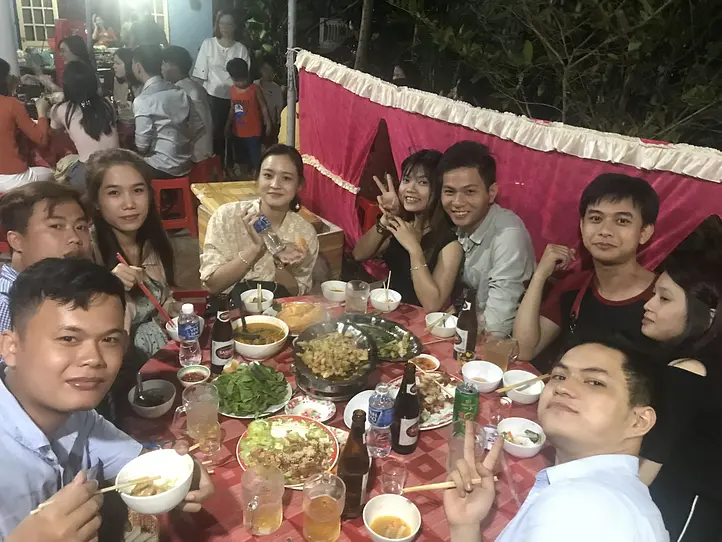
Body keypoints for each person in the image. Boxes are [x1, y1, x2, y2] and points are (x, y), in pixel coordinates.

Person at [0, 258, 214, 540]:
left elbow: (138, 464)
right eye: (68, 339)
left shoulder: (78, 415)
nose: (94, 359)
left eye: (109, 340)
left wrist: (182, 471)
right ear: (11, 347)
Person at [444, 340, 668, 541]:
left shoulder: (582, 508)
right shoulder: (619, 498)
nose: (563, 388)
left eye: (594, 382)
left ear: (639, 421)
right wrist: (466, 527)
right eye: (559, 376)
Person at [513, 173, 660, 365]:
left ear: (644, 232)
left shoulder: (663, 297)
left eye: (622, 221)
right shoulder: (573, 287)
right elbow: (524, 350)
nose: (605, 231)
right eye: (596, 218)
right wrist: (540, 275)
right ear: (582, 226)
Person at [636, 257, 722, 541]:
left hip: (684, 509)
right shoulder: (699, 362)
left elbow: (650, 461)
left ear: (708, 316)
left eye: (664, 298)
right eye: (653, 294)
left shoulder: (690, 370)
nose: (648, 305)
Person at [85, 149, 179, 368]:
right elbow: (85, 327)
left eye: (138, 190)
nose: (129, 204)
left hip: (161, 351)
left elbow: (163, 297)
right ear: (96, 202)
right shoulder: (86, 249)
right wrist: (108, 287)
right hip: (118, 365)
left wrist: (172, 308)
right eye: (114, 193)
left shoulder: (153, 240)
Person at [439, 140, 535, 333]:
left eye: (469, 192)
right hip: (461, 329)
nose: (457, 202)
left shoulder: (508, 236)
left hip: (495, 343)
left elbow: (498, 327)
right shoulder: (452, 222)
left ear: (491, 193)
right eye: (449, 192)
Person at [200, 144, 319, 299]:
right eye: (268, 175)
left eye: (286, 178)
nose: (275, 185)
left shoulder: (304, 233)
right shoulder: (227, 216)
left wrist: (279, 262)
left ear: (299, 185)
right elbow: (213, 286)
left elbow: (295, 293)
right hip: (230, 309)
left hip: (279, 311)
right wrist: (255, 249)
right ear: (257, 178)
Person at [353, 150, 462, 311]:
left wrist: (414, 249)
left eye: (423, 182)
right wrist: (386, 218)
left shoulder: (450, 244)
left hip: (418, 320)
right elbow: (359, 254)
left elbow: (433, 304)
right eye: (406, 180)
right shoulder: (403, 223)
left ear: (440, 190)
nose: (410, 188)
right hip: (387, 308)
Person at [0, 182, 91, 332]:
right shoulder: (5, 305)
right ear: (16, 241)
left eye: (81, 227)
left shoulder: (81, 294)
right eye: (56, 226)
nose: (75, 238)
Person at [132, 45, 204, 179]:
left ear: (138, 67)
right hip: (185, 164)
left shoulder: (143, 100)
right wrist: (181, 143)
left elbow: (142, 146)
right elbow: (198, 126)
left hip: (160, 167)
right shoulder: (179, 91)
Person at [193, 10, 251, 165]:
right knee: (215, 132)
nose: (225, 27)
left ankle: (234, 164)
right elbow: (199, 75)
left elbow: (245, 77)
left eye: (229, 24)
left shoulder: (241, 49)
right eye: (222, 23)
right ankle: (217, 166)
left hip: (236, 97)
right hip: (212, 96)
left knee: (236, 132)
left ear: (235, 26)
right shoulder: (208, 44)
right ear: (217, 25)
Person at [50, 61, 119, 191]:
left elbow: (54, 134)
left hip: (88, 170)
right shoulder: (106, 104)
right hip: (117, 166)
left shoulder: (61, 109)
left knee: (61, 174)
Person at [0, 58, 54, 189]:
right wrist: (42, 111)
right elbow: (41, 139)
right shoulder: (11, 104)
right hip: (12, 176)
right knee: (53, 174)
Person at [161, 46, 214, 164]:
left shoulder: (181, 90)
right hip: (205, 150)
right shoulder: (196, 86)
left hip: (195, 154)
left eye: (163, 64)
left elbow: (190, 128)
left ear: (173, 66)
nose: (161, 69)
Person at [225, 58, 272, 175]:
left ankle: (256, 175)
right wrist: (227, 125)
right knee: (241, 158)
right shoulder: (232, 90)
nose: (241, 83)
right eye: (237, 81)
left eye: (243, 80)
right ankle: (244, 176)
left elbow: (264, 107)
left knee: (255, 158)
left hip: (253, 132)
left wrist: (268, 124)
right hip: (237, 131)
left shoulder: (255, 89)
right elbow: (232, 109)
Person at [254, 58, 284, 141]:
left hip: (270, 125)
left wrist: (277, 125)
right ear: (261, 70)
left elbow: (279, 108)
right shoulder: (254, 85)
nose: (268, 73)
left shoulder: (276, 88)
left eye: (270, 70)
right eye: (265, 70)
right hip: (254, 124)